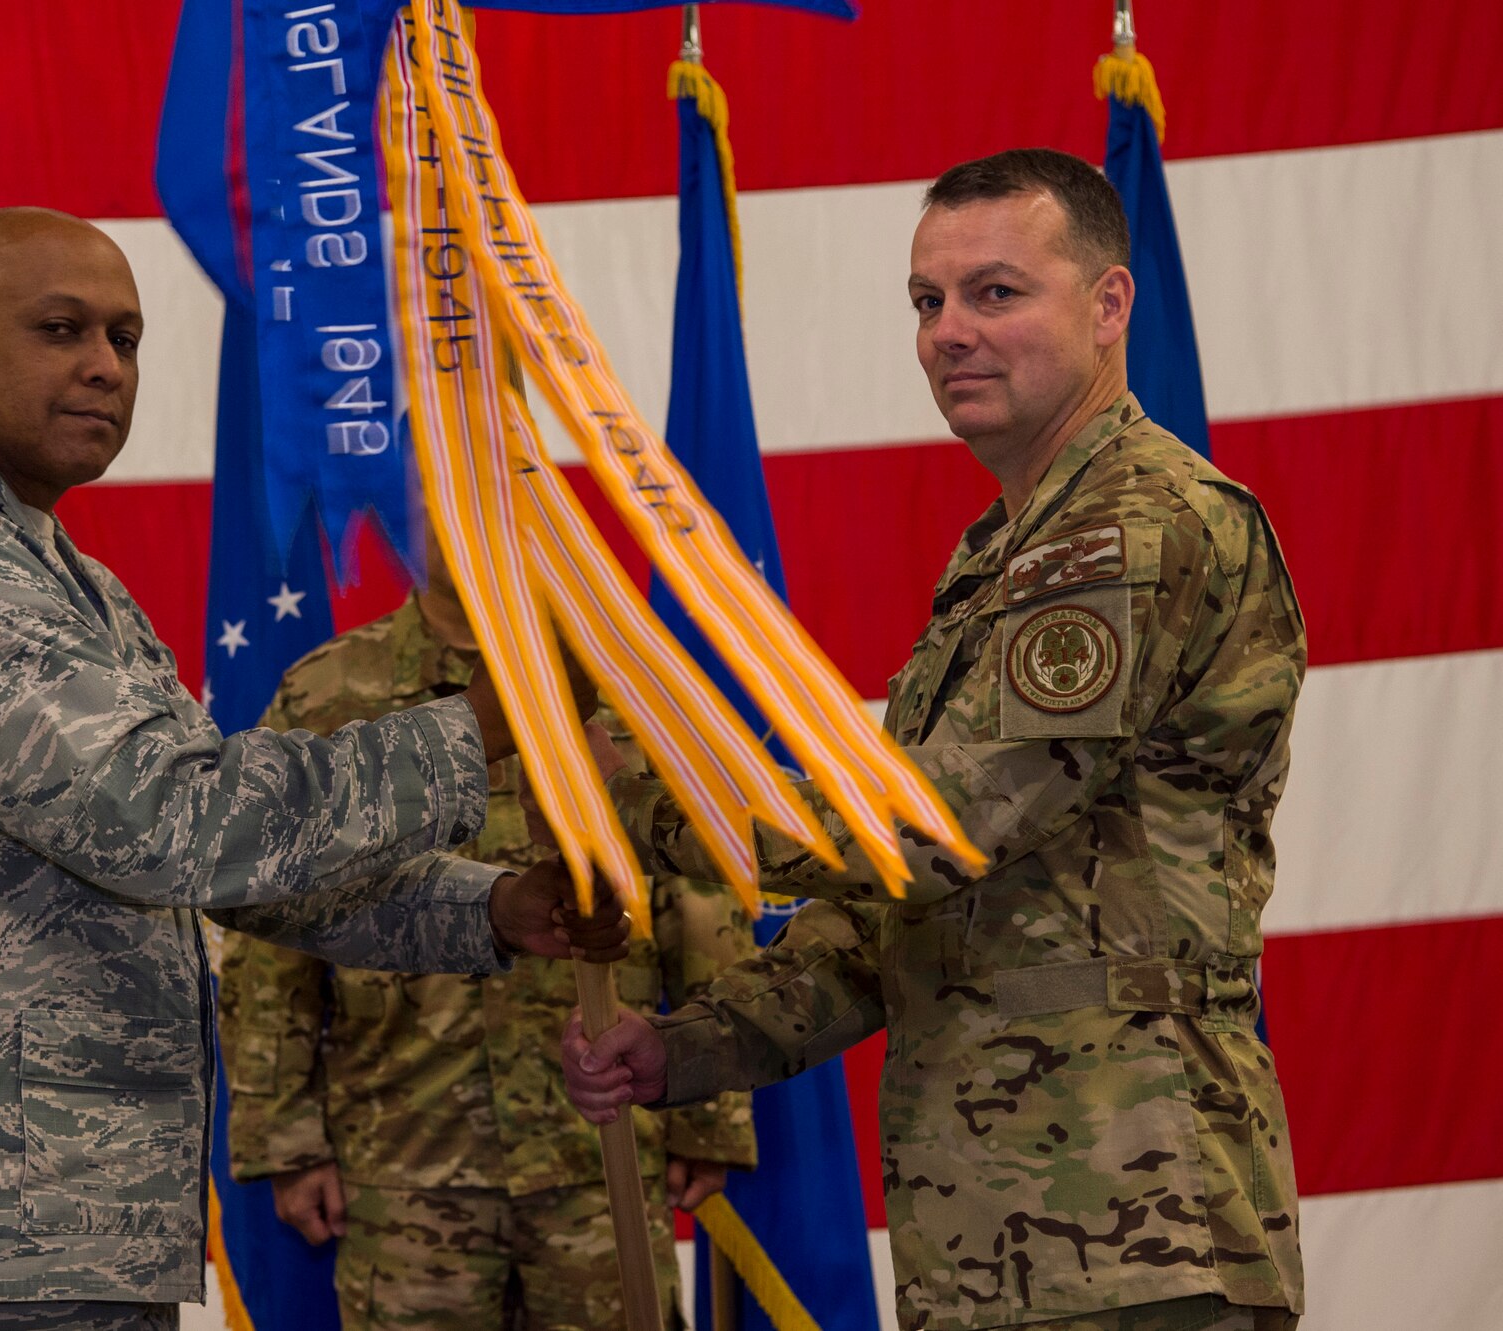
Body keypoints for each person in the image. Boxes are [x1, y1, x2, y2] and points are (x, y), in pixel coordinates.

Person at [0, 207, 625, 1331]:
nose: (103, 367)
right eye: (61, 329)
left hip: (33, 1240)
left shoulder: (61, 574)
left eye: (124, 337)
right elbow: (172, 820)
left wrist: (492, 908)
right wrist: (479, 727)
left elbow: (229, 865)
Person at [559, 149, 1308, 1331]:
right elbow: (889, 919)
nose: (947, 331)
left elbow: (937, 821)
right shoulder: (1002, 556)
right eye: (927, 301)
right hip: (999, 1241)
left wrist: (643, 794)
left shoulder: (1134, 528)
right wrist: (685, 1049)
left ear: (1108, 305)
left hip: (1134, 1224)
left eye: (994, 292)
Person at [216, 535, 757, 1331]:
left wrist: (709, 1111)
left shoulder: (619, 685)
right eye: (443, 478)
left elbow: (703, 903)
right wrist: (287, 1140)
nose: (465, 511)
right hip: (404, 1157)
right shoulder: (329, 692)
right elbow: (271, 933)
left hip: (598, 1156)